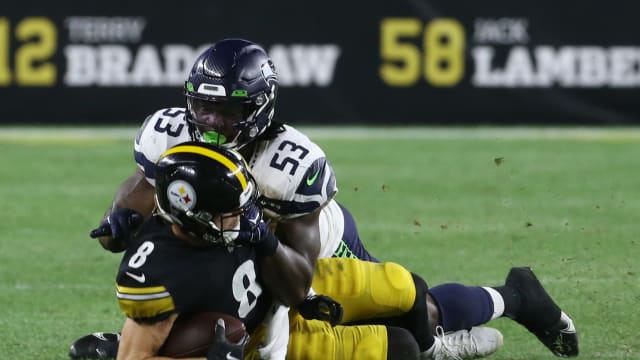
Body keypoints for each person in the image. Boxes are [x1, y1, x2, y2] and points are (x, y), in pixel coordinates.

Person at [75, 38, 578, 359]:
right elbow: (141, 186)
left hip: (297, 242)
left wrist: (256, 233)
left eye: (224, 112)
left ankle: (511, 300)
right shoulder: (169, 131)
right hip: (228, 242)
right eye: (201, 107)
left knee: (405, 309)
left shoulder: (290, 164)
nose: (208, 123)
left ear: (259, 107)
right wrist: (118, 217)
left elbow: (294, 287)